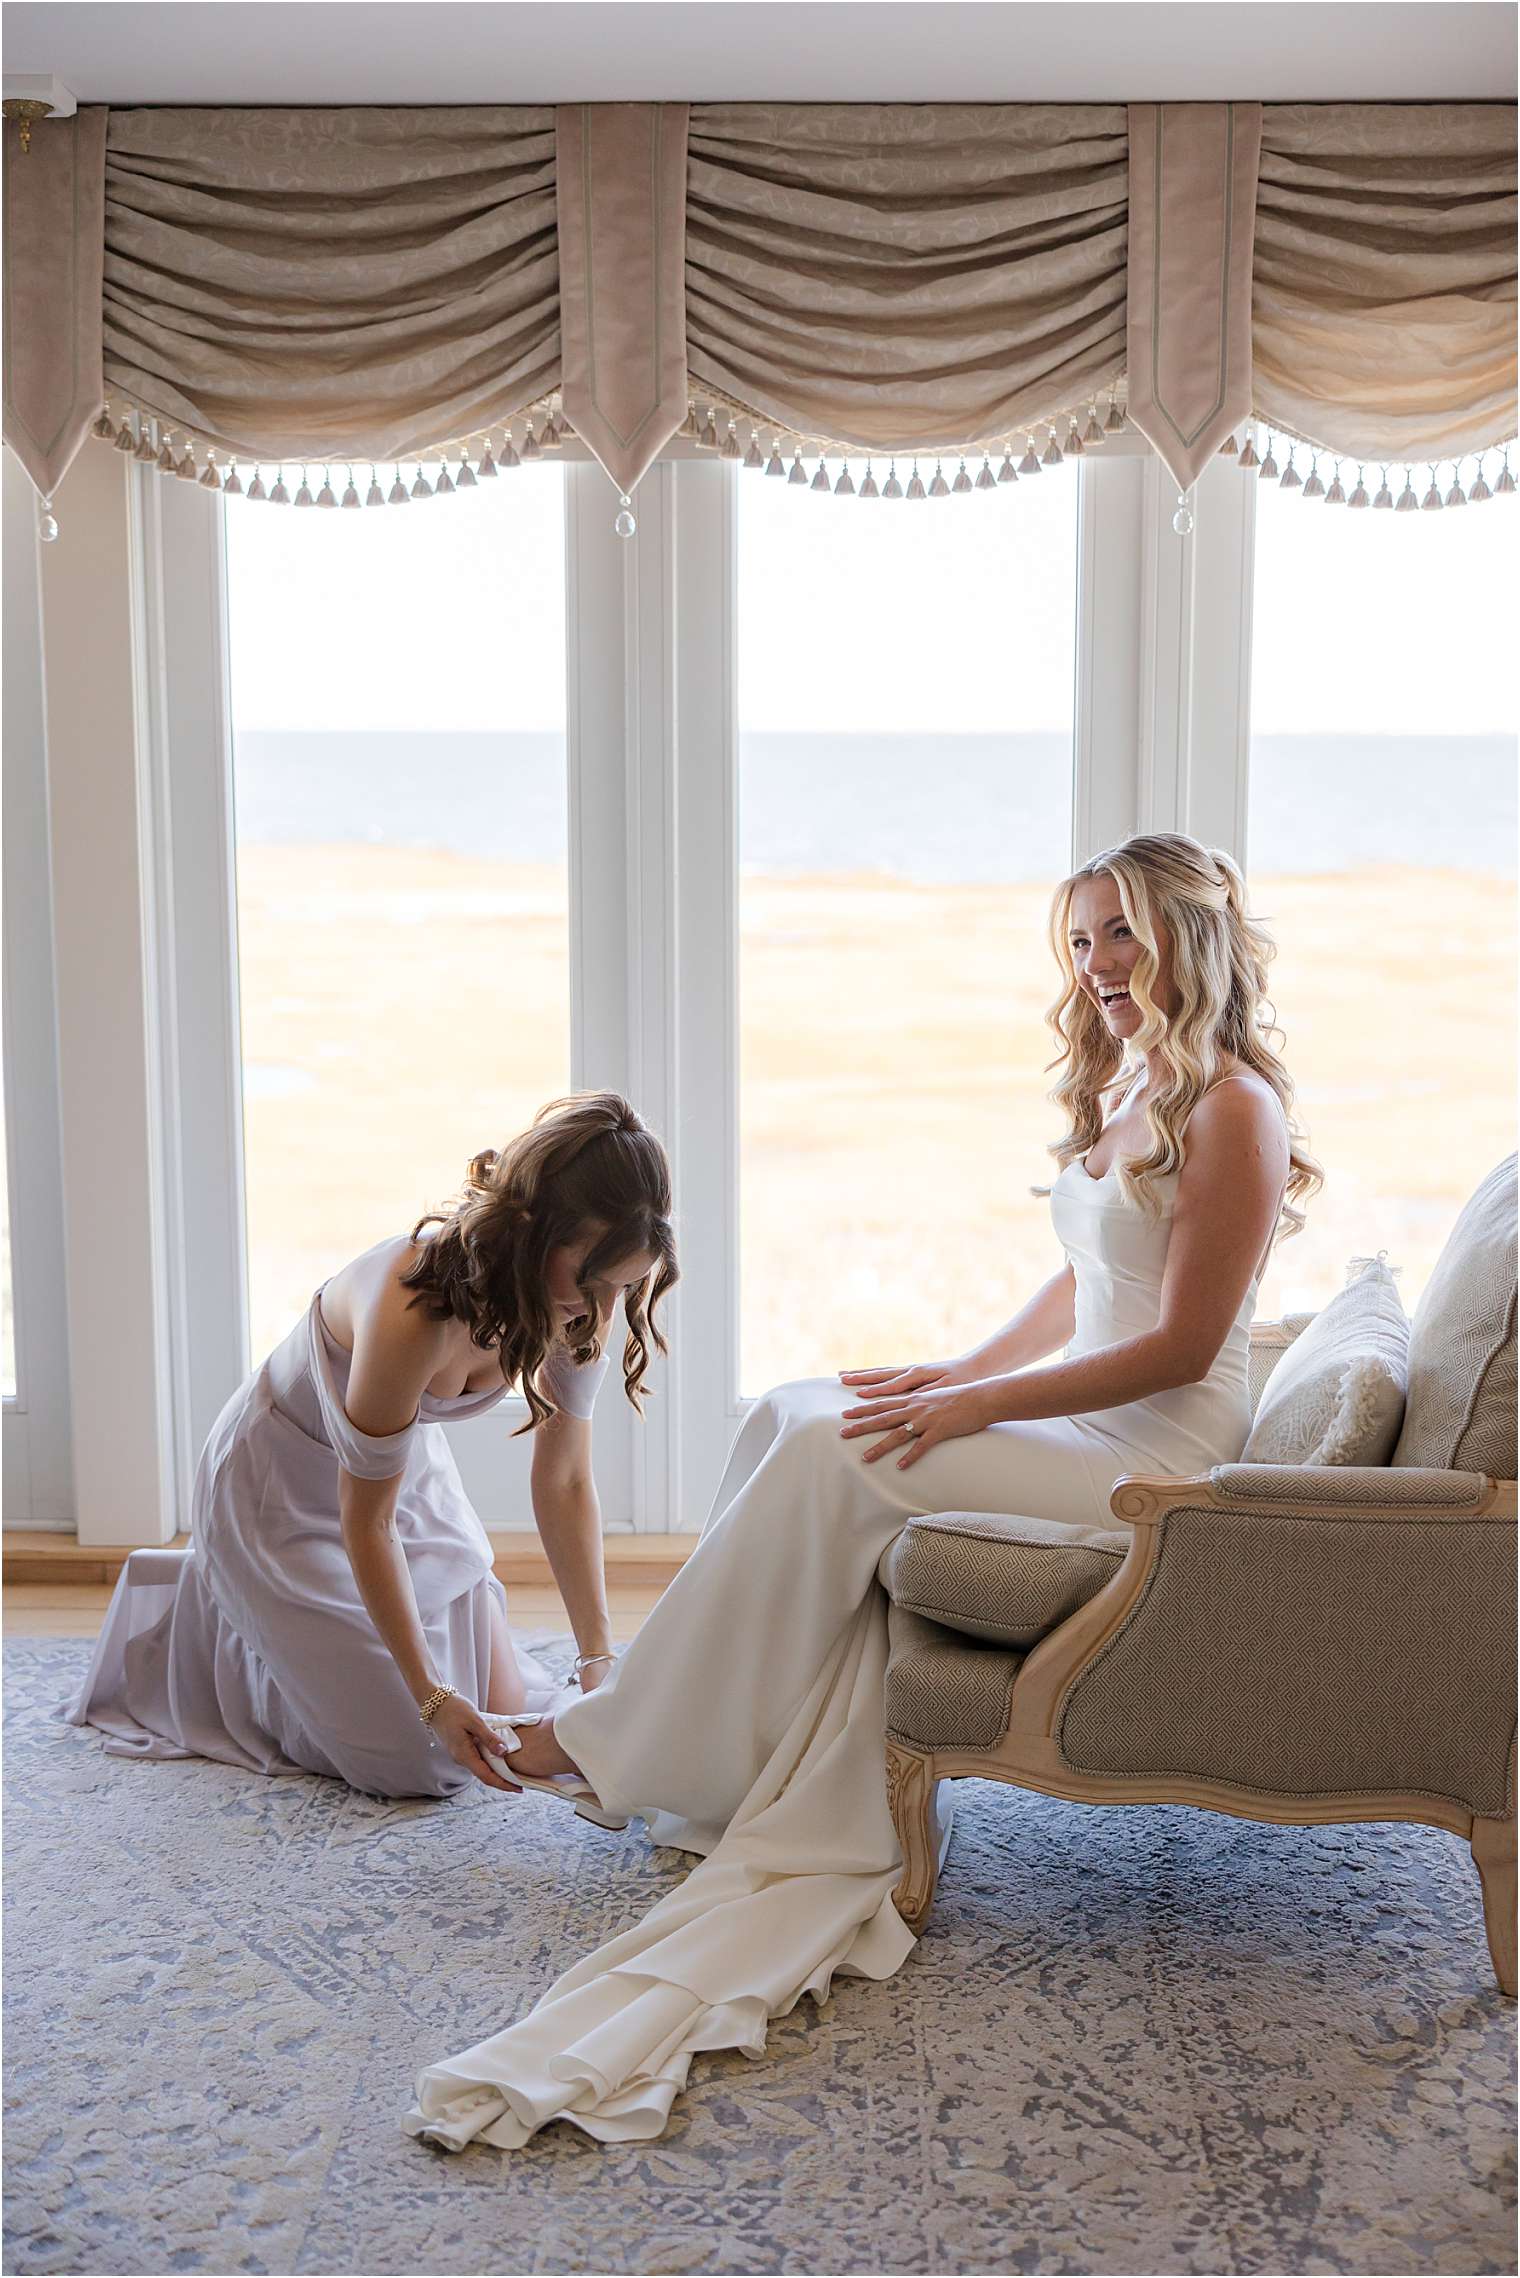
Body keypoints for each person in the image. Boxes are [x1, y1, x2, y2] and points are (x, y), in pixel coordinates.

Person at [405, 832, 1323, 2153]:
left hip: (1152, 1459)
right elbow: (1078, 1285)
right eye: (1078, 939)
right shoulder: (1140, 1085)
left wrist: (974, 1407)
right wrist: (953, 1366)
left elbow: (1180, 1348)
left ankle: (614, 1735)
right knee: (796, 1405)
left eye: (1120, 930)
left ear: (1190, 929)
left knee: (845, 1448)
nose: (1098, 963)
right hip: (1087, 1413)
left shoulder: (1237, 1106)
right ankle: (722, 1729)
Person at [62, 1093, 678, 1800]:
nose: (600, 1312)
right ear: (533, 1231)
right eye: (594, 1283)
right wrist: (429, 1699)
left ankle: (291, 1634)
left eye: (624, 1288)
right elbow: (366, 1523)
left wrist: (597, 1660)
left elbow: (566, 1481)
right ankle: (218, 1618)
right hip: (276, 1492)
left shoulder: (581, 1305)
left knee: (506, 1700)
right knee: (422, 1759)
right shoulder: (413, 1305)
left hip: (397, 1479)